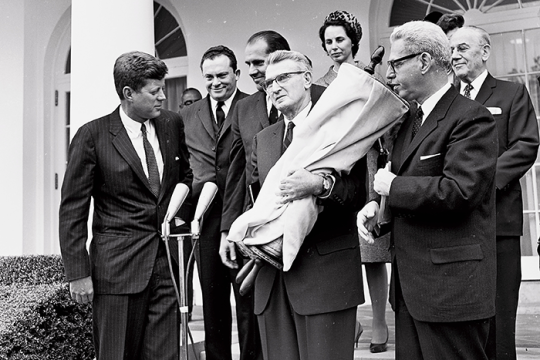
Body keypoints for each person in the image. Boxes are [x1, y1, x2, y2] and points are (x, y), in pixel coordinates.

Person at [358, 21, 499, 359]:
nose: (390, 73)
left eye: (396, 63)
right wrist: (378, 208)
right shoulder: (409, 120)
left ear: (423, 61)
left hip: (451, 292)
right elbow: (405, 183)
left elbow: (461, 191)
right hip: (412, 293)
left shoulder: (471, 117)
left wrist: (394, 187)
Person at [59, 51, 193, 360]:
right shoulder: (92, 136)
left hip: (166, 267)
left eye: (163, 87)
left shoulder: (171, 123)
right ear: (128, 94)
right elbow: (72, 211)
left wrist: (178, 216)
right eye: (154, 90)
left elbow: (185, 175)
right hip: (117, 271)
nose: (163, 96)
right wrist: (77, 273)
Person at [246, 50, 367, 360]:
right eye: (269, 82)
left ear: (307, 78)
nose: (274, 87)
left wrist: (319, 186)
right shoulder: (264, 138)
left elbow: (357, 193)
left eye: (283, 78)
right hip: (273, 281)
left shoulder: (339, 126)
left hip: (325, 275)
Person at [450, 26, 539, 360]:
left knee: (500, 319)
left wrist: (478, 184)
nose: (454, 55)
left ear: (484, 52)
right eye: (451, 49)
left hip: (499, 222)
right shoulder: (448, 100)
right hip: (457, 225)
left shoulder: (511, 93)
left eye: (461, 48)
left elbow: (526, 145)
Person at [315, 9, 390, 353]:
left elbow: (389, 119)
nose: (333, 46)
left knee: (371, 249)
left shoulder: (373, 75)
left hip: (370, 165)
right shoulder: (318, 85)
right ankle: (351, 322)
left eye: (339, 40)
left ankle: (378, 320)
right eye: (328, 41)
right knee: (339, 247)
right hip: (338, 171)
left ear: (353, 41)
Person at [180, 45, 260, 360]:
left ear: (236, 74)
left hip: (242, 215)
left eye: (222, 75)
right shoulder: (188, 114)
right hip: (206, 220)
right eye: (209, 76)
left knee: (247, 300)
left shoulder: (251, 106)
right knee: (212, 302)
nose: (216, 82)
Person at [220, 30, 324, 268]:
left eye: (258, 62)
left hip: (316, 246)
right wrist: (228, 229)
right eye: (247, 64)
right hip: (264, 241)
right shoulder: (243, 109)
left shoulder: (323, 100)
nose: (251, 70)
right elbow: (239, 176)